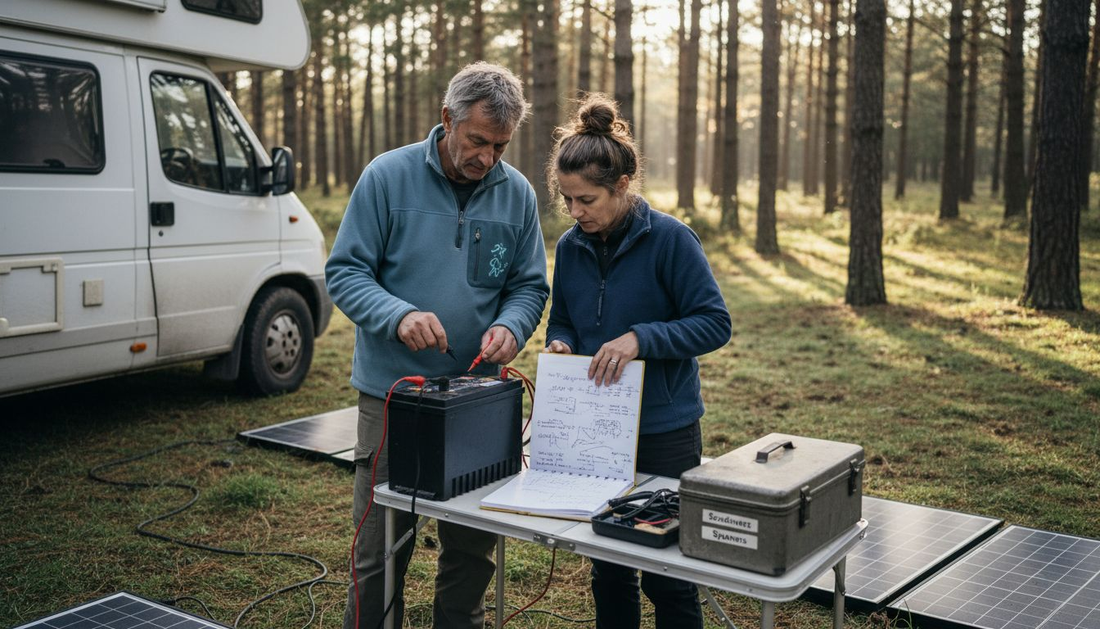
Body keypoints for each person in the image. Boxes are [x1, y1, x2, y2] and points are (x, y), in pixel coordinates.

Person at [325, 62, 549, 629]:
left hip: (480, 397)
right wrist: (397, 316)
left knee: (472, 547)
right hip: (393, 395)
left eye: (500, 146)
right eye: (477, 140)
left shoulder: (517, 194)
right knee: (379, 543)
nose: (487, 158)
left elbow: (528, 286)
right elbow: (346, 273)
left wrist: (513, 327)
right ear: (446, 118)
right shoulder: (386, 177)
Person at [544, 94, 732, 629]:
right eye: (567, 200)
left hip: (665, 429)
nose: (576, 212)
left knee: (668, 573)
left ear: (622, 186)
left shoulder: (672, 240)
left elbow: (715, 323)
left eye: (587, 200)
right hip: (596, 431)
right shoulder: (573, 246)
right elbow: (564, 320)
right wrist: (560, 344)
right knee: (609, 567)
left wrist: (639, 339)